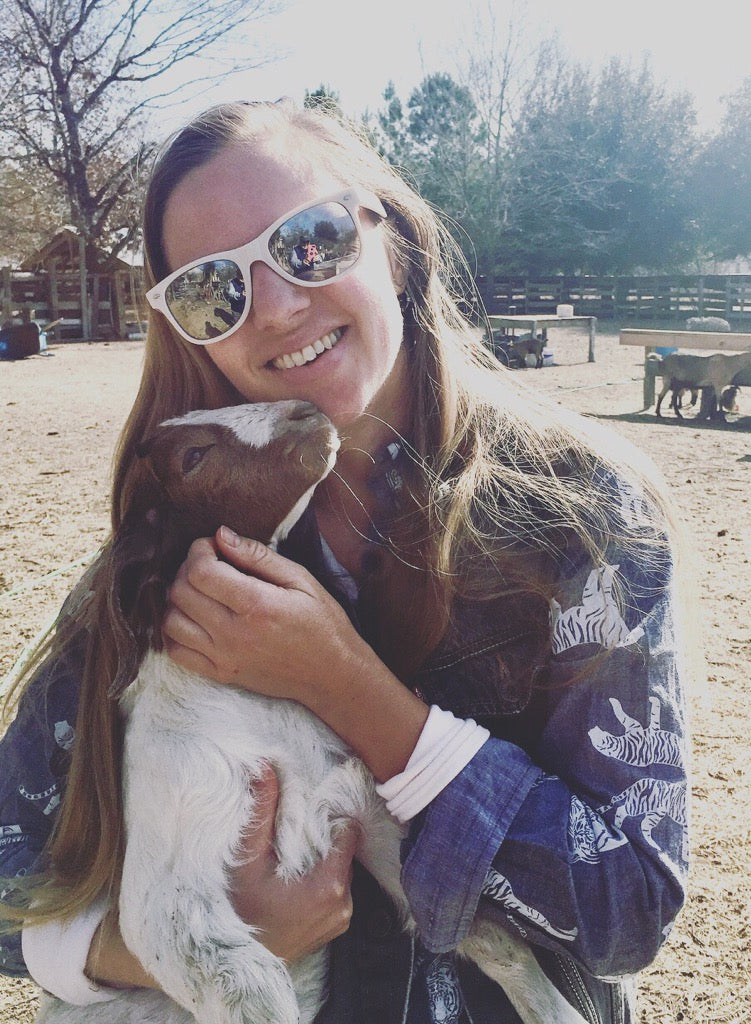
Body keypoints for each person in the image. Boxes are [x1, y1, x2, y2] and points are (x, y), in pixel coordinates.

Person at [0, 98, 693, 1023]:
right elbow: (7, 873)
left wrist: (349, 691)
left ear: (393, 242)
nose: (277, 308)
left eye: (310, 242)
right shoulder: (165, 549)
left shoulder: (581, 517)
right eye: (212, 290)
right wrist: (172, 951)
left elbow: (626, 910)